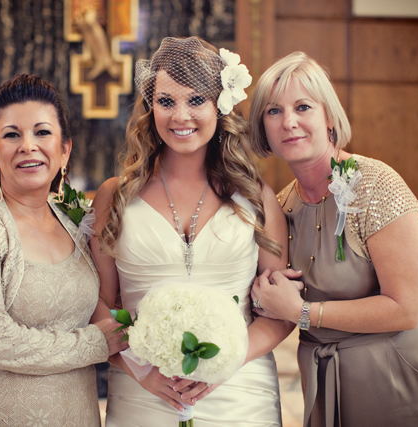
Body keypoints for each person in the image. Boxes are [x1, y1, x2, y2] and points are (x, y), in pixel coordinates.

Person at [90, 37, 291, 426]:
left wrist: (224, 362)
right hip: (143, 394)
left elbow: (279, 312)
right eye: (166, 101)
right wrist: (141, 368)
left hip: (239, 392)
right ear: (150, 108)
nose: (180, 116)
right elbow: (97, 302)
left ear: (220, 105)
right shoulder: (114, 197)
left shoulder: (255, 196)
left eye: (196, 100)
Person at [249, 51, 418, 427]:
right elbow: (275, 294)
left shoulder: (376, 183)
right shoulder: (280, 206)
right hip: (322, 382)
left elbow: (407, 308)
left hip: (395, 378)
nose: (288, 122)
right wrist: (264, 295)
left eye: (303, 107)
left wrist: (301, 312)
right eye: (273, 111)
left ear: (329, 116)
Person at [0, 74, 128, 426]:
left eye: (42, 132)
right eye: (12, 135)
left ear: (64, 150)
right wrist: (97, 343)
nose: (28, 146)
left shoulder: (74, 221)